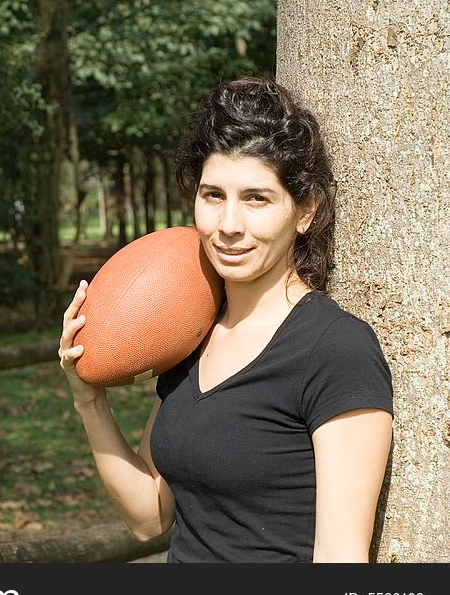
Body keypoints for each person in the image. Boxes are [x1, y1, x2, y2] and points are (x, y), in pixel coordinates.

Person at [58, 77, 394, 562]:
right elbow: (149, 516)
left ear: (305, 212)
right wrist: (88, 398)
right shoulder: (189, 330)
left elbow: (341, 558)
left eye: (257, 198)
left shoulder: (335, 349)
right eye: (213, 195)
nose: (229, 225)